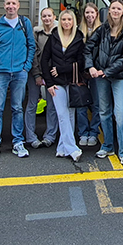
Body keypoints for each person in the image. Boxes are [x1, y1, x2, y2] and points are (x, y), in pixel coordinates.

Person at [0, 0, 35, 160]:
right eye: (7, 3)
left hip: (19, 73)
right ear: (4, 6)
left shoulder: (24, 23)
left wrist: (26, 67)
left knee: (17, 107)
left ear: (18, 5)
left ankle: (18, 141)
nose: (10, 6)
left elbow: (31, 46)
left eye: (13, 3)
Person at [87, 0, 123, 164]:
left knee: (120, 114)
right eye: (113, 8)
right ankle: (107, 146)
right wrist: (90, 67)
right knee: (104, 112)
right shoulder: (102, 29)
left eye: (118, 8)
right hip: (101, 77)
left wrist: (107, 71)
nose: (115, 11)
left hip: (119, 77)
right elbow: (88, 48)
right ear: (109, 11)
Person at [40, 9, 85, 162]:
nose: (66, 22)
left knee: (70, 115)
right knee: (62, 114)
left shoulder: (79, 38)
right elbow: (44, 61)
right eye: (64, 19)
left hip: (71, 82)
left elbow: (81, 63)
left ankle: (62, 148)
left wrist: (61, 69)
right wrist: (49, 84)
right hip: (56, 84)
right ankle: (72, 149)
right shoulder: (53, 37)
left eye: (69, 20)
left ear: (74, 22)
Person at [27, 7, 59, 149]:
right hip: (36, 74)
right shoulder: (36, 32)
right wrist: (37, 74)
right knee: (32, 105)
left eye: (49, 16)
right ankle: (30, 136)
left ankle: (50, 136)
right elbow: (33, 54)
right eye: (44, 16)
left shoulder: (59, 32)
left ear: (54, 17)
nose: (46, 19)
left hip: (52, 74)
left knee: (52, 106)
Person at [75, 3, 103, 147]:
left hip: (96, 73)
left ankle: (93, 133)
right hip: (82, 73)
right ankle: (83, 132)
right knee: (81, 105)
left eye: (92, 12)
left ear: (97, 13)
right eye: (87, 13)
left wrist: (95, 69)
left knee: (97, 104)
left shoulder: (103, 30)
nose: (89, 15)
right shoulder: (79, 31)